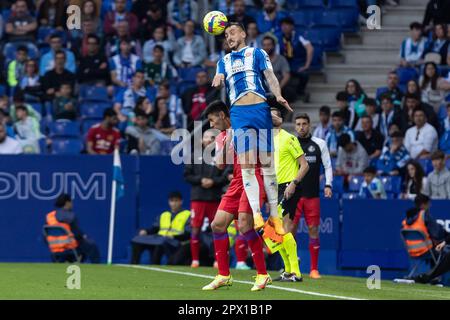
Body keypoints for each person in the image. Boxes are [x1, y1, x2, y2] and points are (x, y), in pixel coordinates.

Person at [212, 22, 292, 233]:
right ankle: (257, 214)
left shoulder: (257, 53)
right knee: (247, 165)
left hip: (259, 108)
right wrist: (218, 76)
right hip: (238, 113)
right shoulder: (224, 60)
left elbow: (270, 76)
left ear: (243, 34)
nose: (228, 37)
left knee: (267, 165)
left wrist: (278, 95)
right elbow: (219, 77)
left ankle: (274, 215)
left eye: (232, 32)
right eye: (226, 35)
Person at [201, 100, 270, 292]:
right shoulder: (222, 136)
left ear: (223, 116)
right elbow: (220, 165)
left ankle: (263, 274)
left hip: (253, 176)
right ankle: (223, 275)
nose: (212, 125)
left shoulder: (247, 128)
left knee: (245, 225)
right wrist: (229, 138)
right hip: (237, 181)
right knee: (217, 225)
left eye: (213, 121)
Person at [271, 108, 309, 282]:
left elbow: (304, 165)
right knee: (273, 232)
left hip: (288, 186)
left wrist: (294, 183)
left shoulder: (289, 138)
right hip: (274, 187)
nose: (272, 116)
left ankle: (296, 272)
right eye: (269, 113)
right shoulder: (267, 140)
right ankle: (287, 270)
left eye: (276, 114)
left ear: (281, 118)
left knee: (284, 228)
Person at [293, 113, 333, 279]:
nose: (301, 127)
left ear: (309, 125)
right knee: (289, 232)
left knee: (313, 230)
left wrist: (328, 185)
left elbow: (328, 166)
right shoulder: (290, 143)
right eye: (298, 124)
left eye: (304, 123)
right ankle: (291, 267)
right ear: (295, 126)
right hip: (293, 195)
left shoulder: (319, 144)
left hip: (312, 195)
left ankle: (314, 269)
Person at [184, 130, 230, 268]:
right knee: (195, 228)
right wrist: (200, 180)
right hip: (198, 197)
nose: (209, 140)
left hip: (215, 198)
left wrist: (213, 182)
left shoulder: (221, 157)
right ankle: (195, 260)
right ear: (201, 140)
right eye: (206, 137)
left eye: (212, 137)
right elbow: (187, 175)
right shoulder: (193, 156)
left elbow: (225, 177)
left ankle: (218, 260)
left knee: (218, 228)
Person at [130, 191, 191, 265]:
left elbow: (188, 234)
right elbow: (155, 229)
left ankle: (155, 265)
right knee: (137, 239)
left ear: (181, 202)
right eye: (172, 201)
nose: (174, 203)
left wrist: (174, 236)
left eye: (176, 201)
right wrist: (146, 231)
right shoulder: (164, 215)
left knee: (161, 243)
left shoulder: (187, 214)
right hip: (160, 238)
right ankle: (133, 265)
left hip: (175, 241)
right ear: (169, 202)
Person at [44, 193, 100, 263]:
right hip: (70, 250)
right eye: (71, 202)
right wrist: (84, 237)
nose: (72, 204)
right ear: (67, 203)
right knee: (91, 245)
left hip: (55, 251)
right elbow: (77, 235)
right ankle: (96, 267)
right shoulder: (71, 216)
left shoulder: (49, 216)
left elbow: (45, 236)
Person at [401, 194, 446, 276]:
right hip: (426, 251)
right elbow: (437, 233)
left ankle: (432, 275)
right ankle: (435, 276)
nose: (430, 205)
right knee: (444, 251)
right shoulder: (424, 215)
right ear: (423, 204)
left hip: (411, 251)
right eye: (428, 204)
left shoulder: (407, 217)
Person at [277, 17, 313, 101]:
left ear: (292, 27)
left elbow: (310, 48)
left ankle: (300, 91)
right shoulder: (278, 38)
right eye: (283, 25)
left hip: (296, 63)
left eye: (287, 25)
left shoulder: (299, 36)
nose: (285, 27)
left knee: (304, 74)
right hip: (283, 64)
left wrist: (307, 65)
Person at [261, 35, 295, 104]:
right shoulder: (259, 60)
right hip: (264, 89)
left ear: (274, 46)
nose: (266, 47)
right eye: (264, 45)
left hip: (278, 87)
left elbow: (286, 76)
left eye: (269, 45)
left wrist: (277, 89)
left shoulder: (281, 59)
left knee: (289, 91)